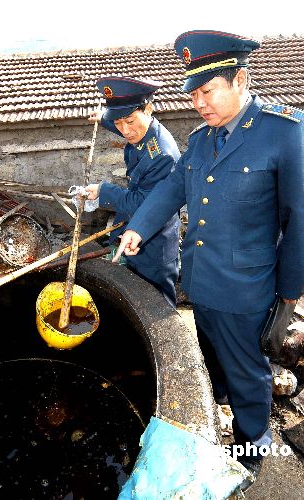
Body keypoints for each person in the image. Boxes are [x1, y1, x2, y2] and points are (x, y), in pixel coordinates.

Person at [112, 30, 304, 483]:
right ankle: (216, 406)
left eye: (207, 91)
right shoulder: (200, 140)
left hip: (245, 288)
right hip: (199, 282)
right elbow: (172, 188)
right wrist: (138, 226)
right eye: (193, 93)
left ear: (239, 80)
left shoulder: (284, 134)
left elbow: (299, 223)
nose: (199, 102)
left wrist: (289, 296)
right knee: (215, 359)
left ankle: (251, 447)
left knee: (247, 374)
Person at [85, 76, 181, 307]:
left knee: (158, 303)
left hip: (155, 242)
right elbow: (123, 122)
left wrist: (102, 191)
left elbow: (141, 203)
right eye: (118, 123)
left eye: (129, 120)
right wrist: (106, 120)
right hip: (134, 231)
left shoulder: (161, 155)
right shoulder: (139, 130)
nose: (125, 131)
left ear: (148, 109)